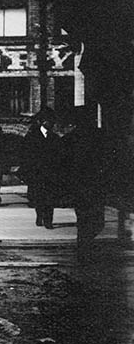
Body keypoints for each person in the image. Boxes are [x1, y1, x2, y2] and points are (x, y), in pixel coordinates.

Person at [57, 108, 106, 259]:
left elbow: (61, 165)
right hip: (93, 184)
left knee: (84, 216)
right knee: (95, 219)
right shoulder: (100, 137)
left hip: (80, 185)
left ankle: (83, 244)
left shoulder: (68, 139)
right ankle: (85, 246)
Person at [20, 109, 59, 228]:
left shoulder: (54, 137)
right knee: (38, 196)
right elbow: (25, 155)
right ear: (42, 122)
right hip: (36, 173)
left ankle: (48, 220)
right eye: (49, 121)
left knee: (50, 197)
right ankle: (39, 215)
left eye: (53, 120)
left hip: (51, 173)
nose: (52, 123)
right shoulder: (32, 137)